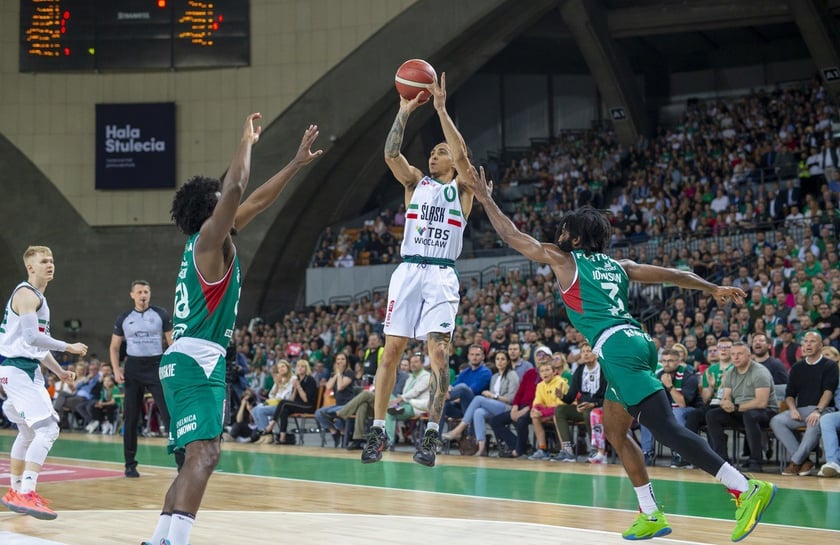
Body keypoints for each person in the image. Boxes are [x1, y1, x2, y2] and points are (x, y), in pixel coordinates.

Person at [463, 161, 776, 541]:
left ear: (575, 240)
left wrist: (484, 198)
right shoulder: (619, 265)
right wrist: (710, 288)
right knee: (614, 429)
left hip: (617, 347)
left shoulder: (565, 260)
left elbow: (513, 235)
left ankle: (744, 487)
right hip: (636, 343)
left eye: (564, 230)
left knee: (666, 430)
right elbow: (674, 275)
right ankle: (650, 512)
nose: (558, 234)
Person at [143, 115, 321, 545]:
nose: (228, 200)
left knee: (194, 457)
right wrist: (245, 141)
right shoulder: (207, 240)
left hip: (193, 361)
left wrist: (295, 164)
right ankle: (173, 543)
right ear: (211, 209)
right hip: (196, 361)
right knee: (205, 454)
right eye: (219, 199)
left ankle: (160, 539)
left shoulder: (209, 242)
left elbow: (255, 200)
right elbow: (239, 186)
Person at [361, 73, 475, 467]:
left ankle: (431, 435)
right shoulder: (416, 183)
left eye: (440, 151)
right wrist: (403, 112)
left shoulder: (462, 188)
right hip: (408, 271)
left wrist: (441, 109)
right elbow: (392, 155)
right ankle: (378, 430)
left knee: (439, 354)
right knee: (390, 352)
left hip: (442, 273)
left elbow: (462, 157)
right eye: (432, 152)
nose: (434, 155)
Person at [0, 245, 88, 519]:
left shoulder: (34, 296)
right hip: (18, 369)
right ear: (31, 267)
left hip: (19, 369)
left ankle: (15, 491)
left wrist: (59, 372)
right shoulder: (26, 294)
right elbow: (30, 338)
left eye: (51, 260)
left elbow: (36, 347)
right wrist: (68, 346)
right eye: (43, 261)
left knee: (27, 433)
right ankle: (26, 493)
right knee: (48, 429)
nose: (50, 264)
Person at [110, 280, 175, 477]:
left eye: (146, 291)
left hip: (157, 366)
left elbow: (172, 343)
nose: (143, 295)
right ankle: (130, 464)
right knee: (130, 418)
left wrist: (173, 367)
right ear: (132, 295)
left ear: (150, 294)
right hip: (134, 368)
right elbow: (114, 348)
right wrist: (116, 370)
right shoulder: (124, 318)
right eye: (139, 292)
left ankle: (182, 461)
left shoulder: (160, 314)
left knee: (168, 414)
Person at [770, 330, 838, 476]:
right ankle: (804, 460)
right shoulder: (797, 367)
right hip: (801, 410)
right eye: (805, 342)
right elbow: (789, 394)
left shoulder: (830, 365)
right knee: (776, 421)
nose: (808, 345)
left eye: (812, 341)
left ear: (820, 345)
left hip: (824, 409)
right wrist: (793, 409)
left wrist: (818, 410)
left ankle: (795, 462)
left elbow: (828, 391)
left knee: (814, 422)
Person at [705, 342, 779, 473]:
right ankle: (722, 460)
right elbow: (726, 396)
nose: (735, 357)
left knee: (750, 415)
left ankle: (755, 460)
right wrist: (725, 403)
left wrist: (735, 407)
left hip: (766, 412)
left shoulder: (759, 372)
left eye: (740, 354)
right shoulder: (731, 372)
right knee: (713, 415)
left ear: (749, 355)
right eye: (733, 354)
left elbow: (762, 402)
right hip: (740, 410)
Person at [441, 350, 520, 456]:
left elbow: (512, 398)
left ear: (508, 361)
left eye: (502, 359)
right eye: (497, 359)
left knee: (478, 399)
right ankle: (481, 449)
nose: (500, 362)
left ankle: (458, 430)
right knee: (478, 412)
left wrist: (493, 396)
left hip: (508, 408)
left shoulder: (512, 375)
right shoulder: (495, 376)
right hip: (495, 406)